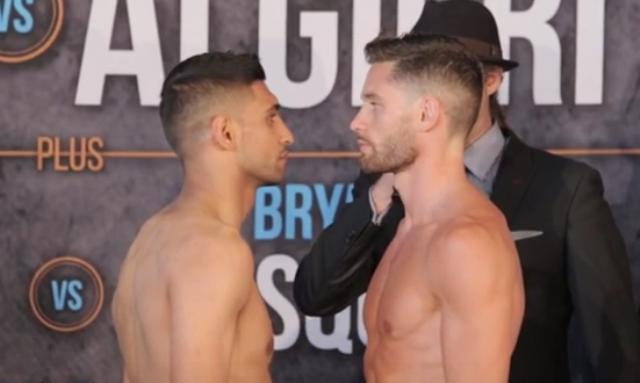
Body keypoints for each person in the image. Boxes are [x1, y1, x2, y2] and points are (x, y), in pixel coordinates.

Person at [293, 1, 640, 382]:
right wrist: (381, 196)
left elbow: (611, 347)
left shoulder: (564, 190)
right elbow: (315, 294)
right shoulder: (386, 185)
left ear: (489, 81)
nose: (359, 121)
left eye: (448, 66)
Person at [112, 52, 294, 383]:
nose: (286, 135)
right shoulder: (215, 250)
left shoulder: (150, 238)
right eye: (271, 118)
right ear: (225, 133)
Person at [353, 33, 525, 382]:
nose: (357, 122)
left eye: (375, 105)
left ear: (426, 114)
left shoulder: (465, 244)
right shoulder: (408, 227)